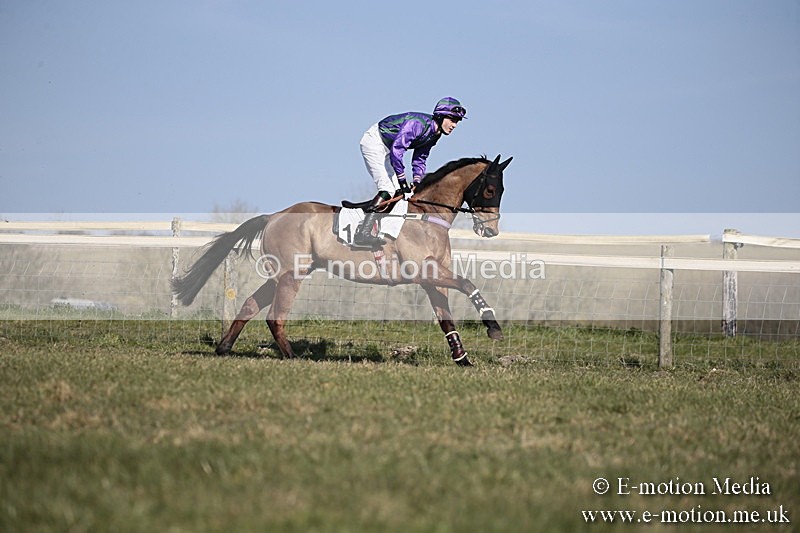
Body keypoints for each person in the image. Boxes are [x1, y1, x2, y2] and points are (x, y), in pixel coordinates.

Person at [353, 97, 467, 247]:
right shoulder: (417, 124)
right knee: (388, 188)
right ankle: (363, 232)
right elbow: (397, 151)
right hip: (375, 142)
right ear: (440, 116)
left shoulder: (435, 134)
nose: (454, 125)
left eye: (457, 121)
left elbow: (420, 158)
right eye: (452, 120)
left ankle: (383, 233)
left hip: (388, 149)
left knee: (399, 195)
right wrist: (402, 180)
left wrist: (417, 181)